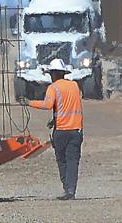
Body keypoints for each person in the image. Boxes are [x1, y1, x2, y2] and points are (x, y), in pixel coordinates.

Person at [27, 59, 84, 201]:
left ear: (53, 74)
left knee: (62, 160)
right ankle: (71, 190)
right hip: (76, 130)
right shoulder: (74, 86)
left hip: (61, 131)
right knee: (73, 161)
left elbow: (47, 105)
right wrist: (55, 118)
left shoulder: (53, 88)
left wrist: (29, 102)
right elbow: (69, 106)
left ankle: (67, 189)